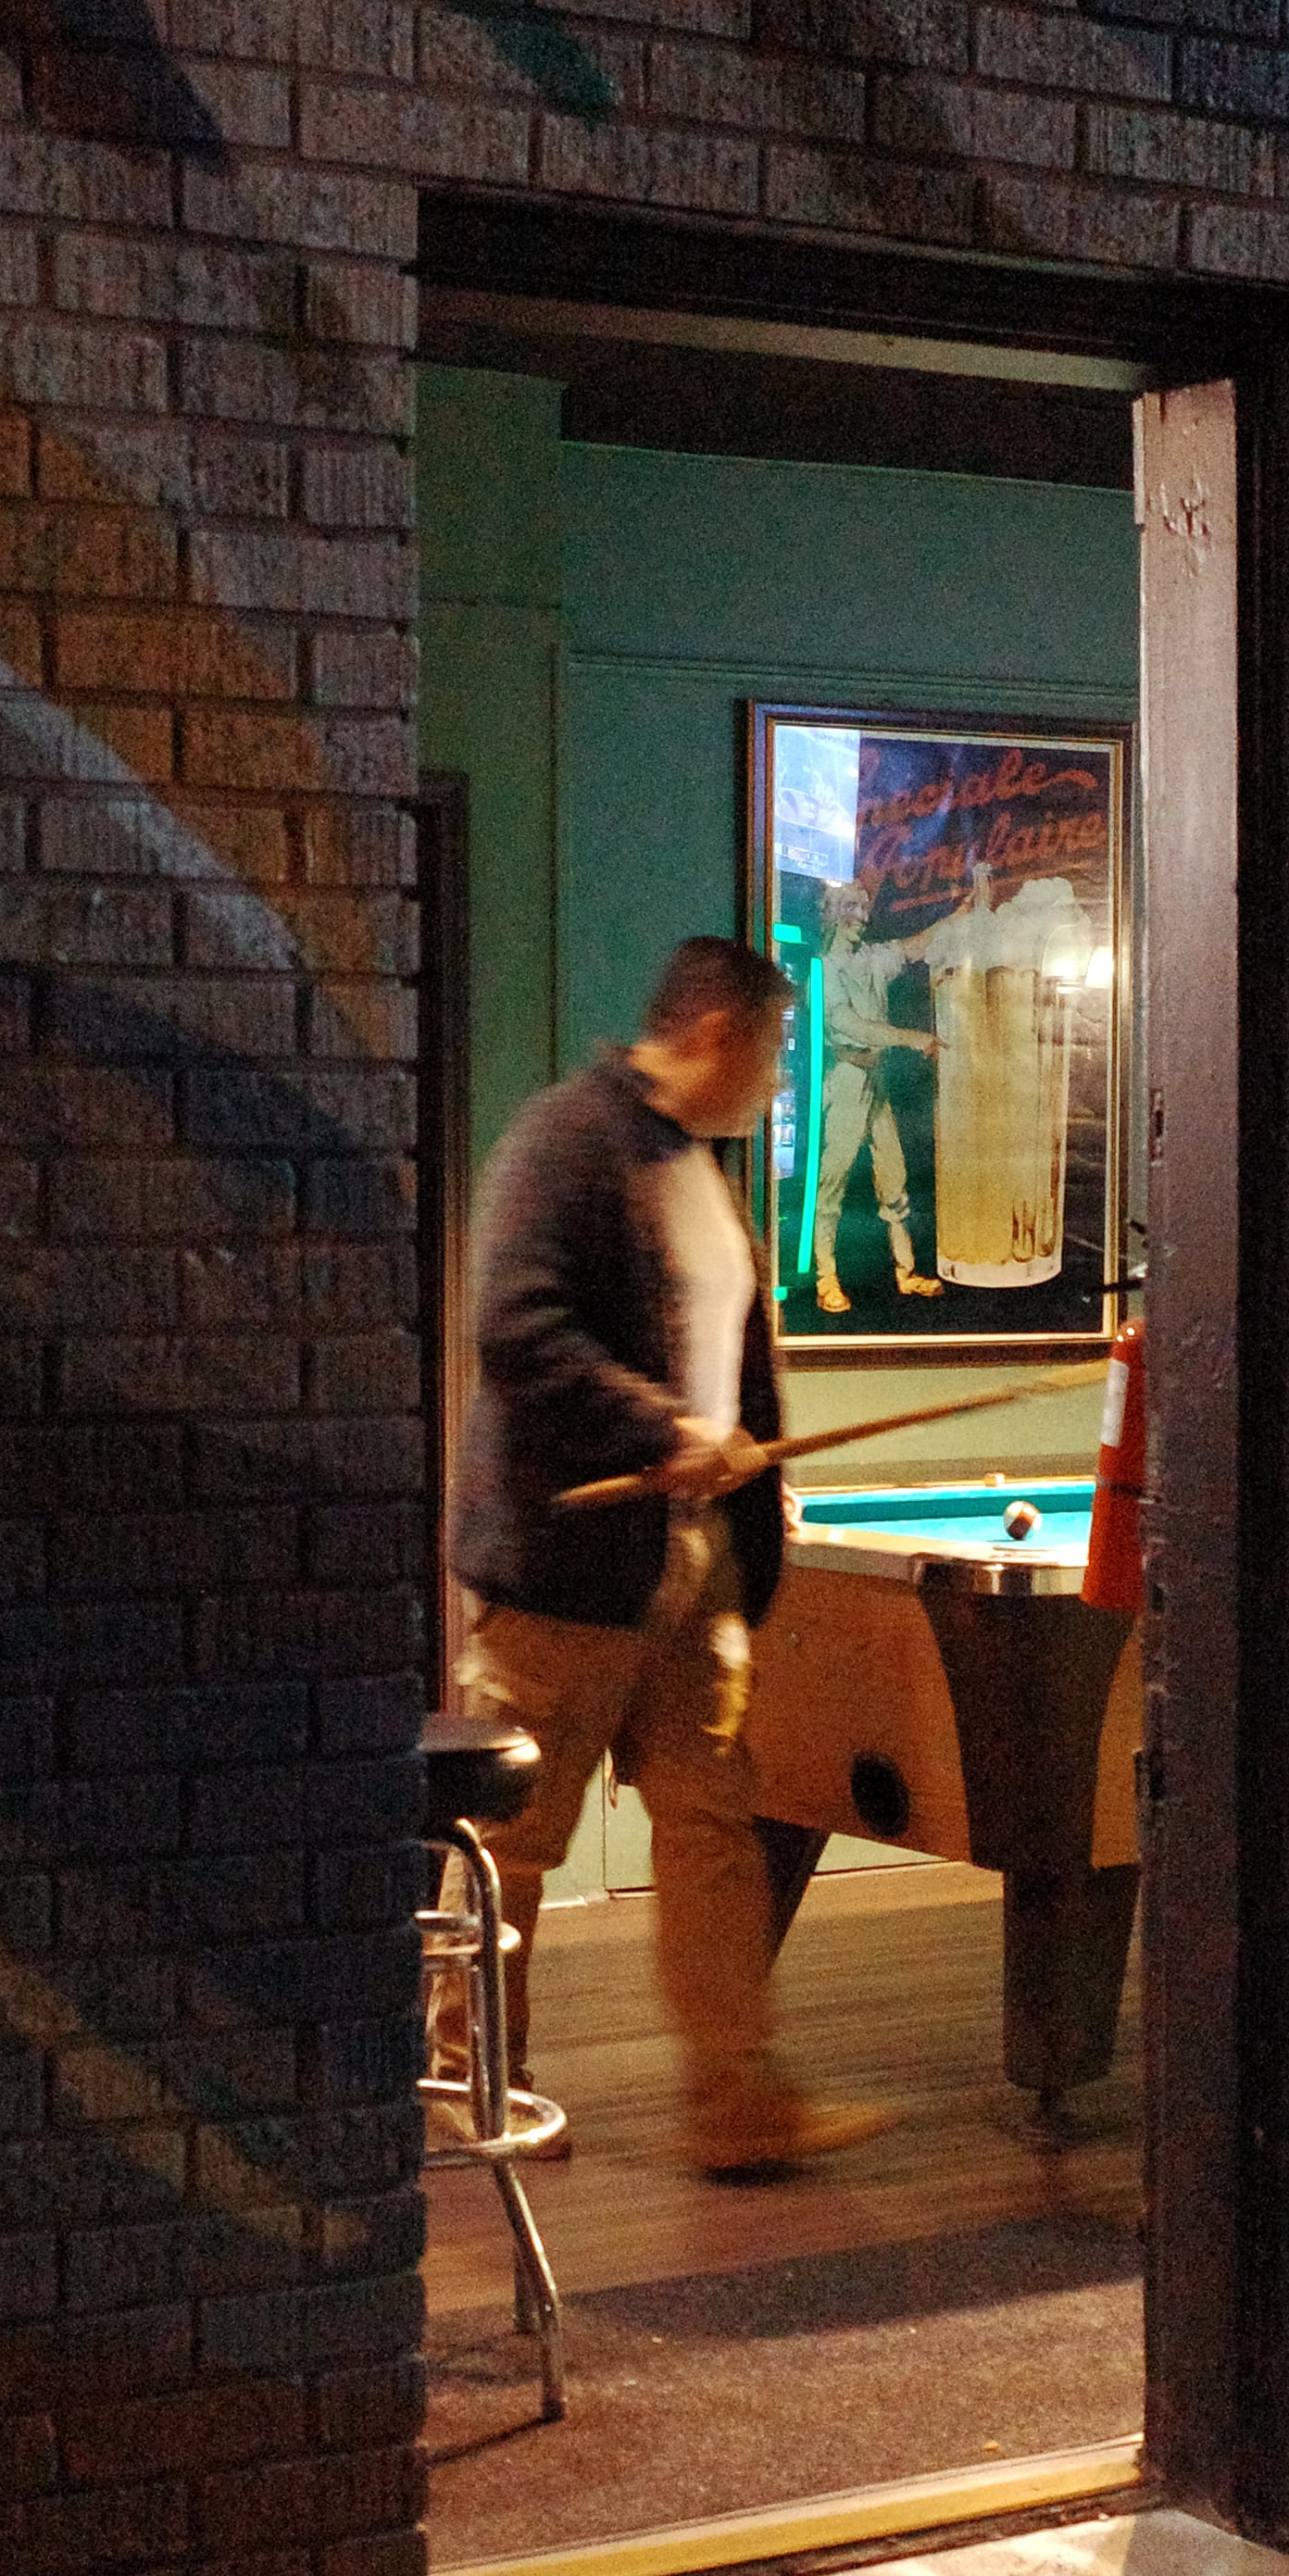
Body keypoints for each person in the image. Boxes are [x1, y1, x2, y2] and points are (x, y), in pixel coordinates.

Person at [447, 937, 897, 2182]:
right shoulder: (564, 1142)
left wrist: (746, 1486)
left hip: (688, 1565)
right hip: (565, 1564)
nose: (772, 1080)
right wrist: (665, 1431)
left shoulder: (698, 1168)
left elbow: (727, 1366)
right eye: (766, 1051)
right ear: (709, 1030)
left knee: (711, 1827)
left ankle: (738, 2106)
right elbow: (518, 1329)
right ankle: (470, 2081)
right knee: (514, 1841)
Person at [807, 870, 946, 1314]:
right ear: (829, 912)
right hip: (847, 1083)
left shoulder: (870, 959)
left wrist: (962, 915)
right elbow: (852, 1026)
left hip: (876, 1084)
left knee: (895, 1179)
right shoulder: (823, 972)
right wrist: (911, 1037)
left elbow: (914, 946)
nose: (860, 916)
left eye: (864, 908)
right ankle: (826, 1278)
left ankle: (905, 1273)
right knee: (832, 1185)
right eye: (850, 907)